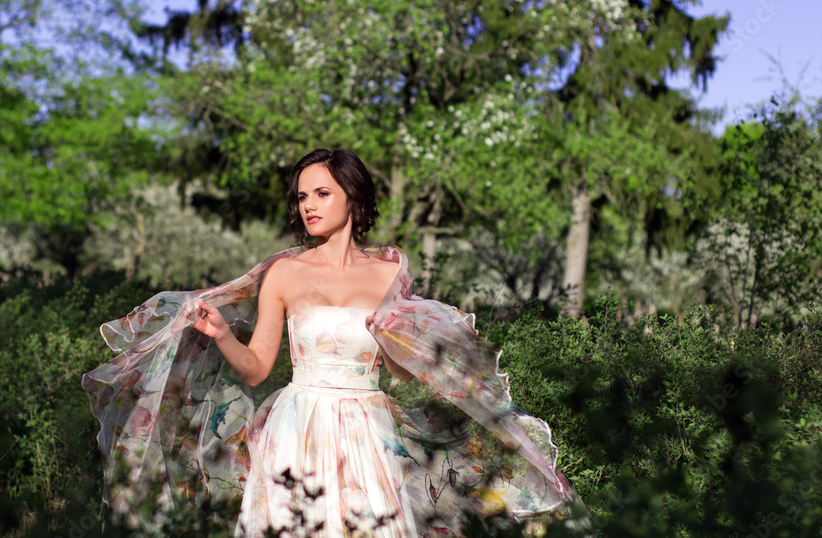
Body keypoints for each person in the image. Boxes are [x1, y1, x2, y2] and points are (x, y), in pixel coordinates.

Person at [82, 148, 587, 537]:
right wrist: (221, 335)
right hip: (298, 425)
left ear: (353, 197)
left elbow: (403, 372)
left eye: (321, 193)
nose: (309, 206)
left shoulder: (389, 273)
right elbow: (257, 369)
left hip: (367, 429)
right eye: (302, 197)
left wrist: (405, 340)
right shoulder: (285, 273)